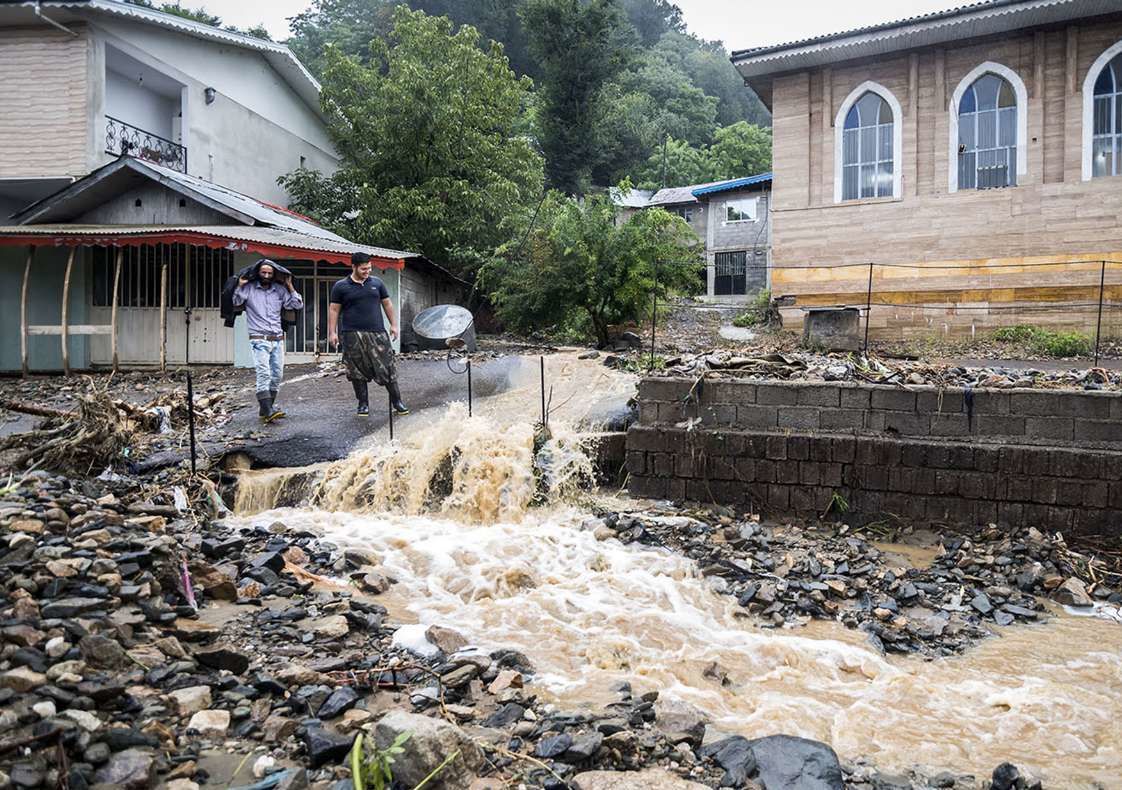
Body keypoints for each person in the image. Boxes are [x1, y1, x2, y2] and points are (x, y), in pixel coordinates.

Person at [328, 252, 409, 416]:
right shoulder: (341, 286)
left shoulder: (377, 283)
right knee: (356, 370)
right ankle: (363, 404)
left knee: (387, 367)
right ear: (354, 267)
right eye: (364, 269)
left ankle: (397, 402)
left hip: (377, 332)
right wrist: (332, 332)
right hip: (351, 333)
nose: (367, 271)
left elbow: (387, 304)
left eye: (369, 268)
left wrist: (394, 325)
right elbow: (334, 309)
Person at [232, 260, 304, 423]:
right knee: (264, 373)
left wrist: (290, 286)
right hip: (258, 338)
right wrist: (240, 285)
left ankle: (266, 410)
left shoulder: (279, 290)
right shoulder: (249, 288)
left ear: (274, 275)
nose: (266, 276)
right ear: (258, 273)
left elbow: (297, 304)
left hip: (277, 338)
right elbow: (236, 301)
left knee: (277, 375)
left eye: (269, 273)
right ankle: (268, 410)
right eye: (263, 272)